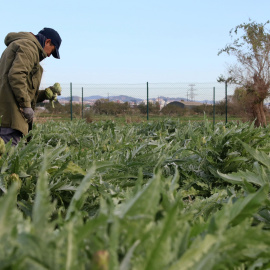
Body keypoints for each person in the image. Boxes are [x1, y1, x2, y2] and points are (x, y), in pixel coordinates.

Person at [0, 27, 62, 146]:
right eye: (52, 51)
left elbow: (22, 89)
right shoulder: (29, 47)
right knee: (10, 161)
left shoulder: (19, 45)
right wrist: (26, 106)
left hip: (6, 116)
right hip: (11, 118)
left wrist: (45, 93)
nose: (49, 55)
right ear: (47, 42)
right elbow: (17, 75)